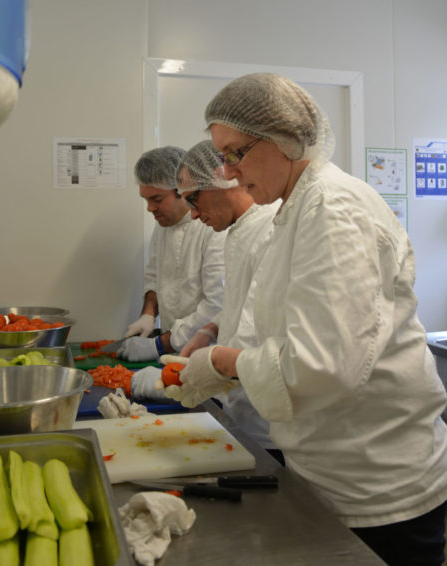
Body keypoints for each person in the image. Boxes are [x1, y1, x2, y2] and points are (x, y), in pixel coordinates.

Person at [159, 73, 447, 566]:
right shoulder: (295, 212)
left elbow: (322, 365)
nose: (226, 173)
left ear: (285, 139)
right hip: (330, 462)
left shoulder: (333, 210)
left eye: (235, 154)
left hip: (376, 481)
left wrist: (223, 362)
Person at [174, 139, 281, 459]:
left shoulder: (270, 228)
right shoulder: (239, 231)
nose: (193, 215)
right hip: (243, 406)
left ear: (223, 179)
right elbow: (244, 301)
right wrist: (212, 328)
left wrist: (213, 366)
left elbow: (258, 328)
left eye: (194, 200)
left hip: (271, 418)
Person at [118, 146, 226, 364]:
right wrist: (148, 315)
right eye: (145, 199)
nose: (150, 208)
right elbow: (154, 276)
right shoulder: (163, 225)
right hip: (170, 351)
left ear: (181, 189)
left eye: (157, 199)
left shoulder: (213, 228)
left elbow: (217, 305)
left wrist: (160, 344)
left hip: (207, 354)